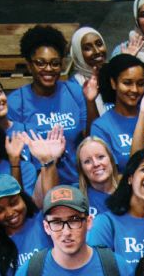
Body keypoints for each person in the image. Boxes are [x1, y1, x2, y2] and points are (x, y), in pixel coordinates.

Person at [9, 25, 93, 185]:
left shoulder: (74, 91)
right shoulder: (16, 102)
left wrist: (90, 102)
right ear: (29, 65)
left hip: (77, 181)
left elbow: (89, 137)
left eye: (55, 63)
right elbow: (18, 155)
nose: (48, 69)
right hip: (38, 185)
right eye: (40, 63)